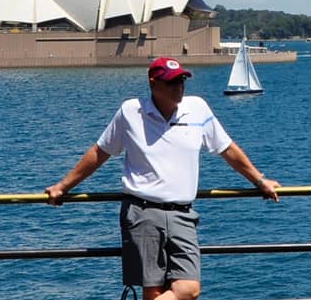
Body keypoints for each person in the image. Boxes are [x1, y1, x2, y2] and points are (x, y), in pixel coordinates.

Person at [42, 57, 281, 300]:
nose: (179, 87)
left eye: (182, 80)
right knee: (152, 291)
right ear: (153, 83)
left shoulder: (197, 108)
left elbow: (227, 149)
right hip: (142, 212)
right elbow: (100, 152)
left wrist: (259, 181)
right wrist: (63, 186)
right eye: (172, 82)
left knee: (189, 288)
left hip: (183, 215)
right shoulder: (130, 112)